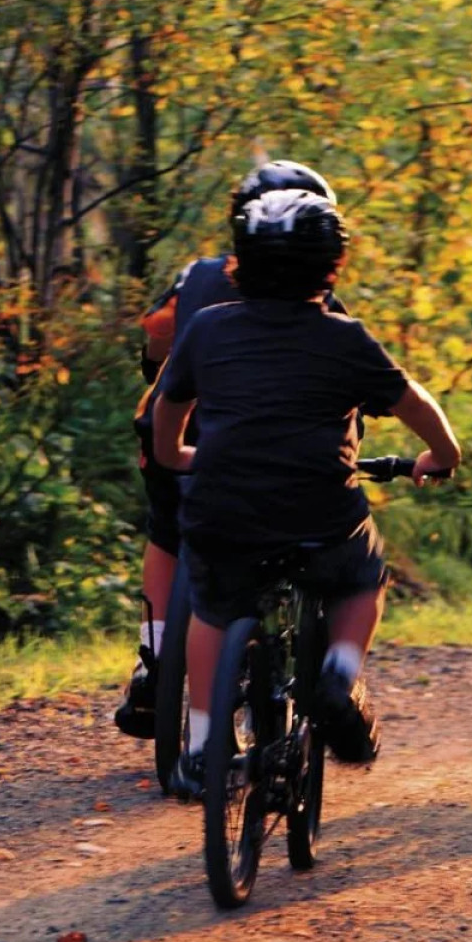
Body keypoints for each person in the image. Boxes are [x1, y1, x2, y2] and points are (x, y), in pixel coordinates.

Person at [151, 189, 461, 797]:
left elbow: (170, 407)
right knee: (362, 572)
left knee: (214, 605)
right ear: (332, 265)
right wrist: (442, 456)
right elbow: (414, 404)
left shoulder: (209, 328)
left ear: (240, 259)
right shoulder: (345, 338)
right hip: (320, 514)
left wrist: (175, 457)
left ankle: (205, 743)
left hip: (224, 512)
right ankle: (339, 678)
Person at [114, 161, 342, 741]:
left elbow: (155, 331)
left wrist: (153, 362)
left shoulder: (197, 276)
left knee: (167, 533)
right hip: (275, 458)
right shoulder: (324, 302)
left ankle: (154, 659)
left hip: (179, 438)